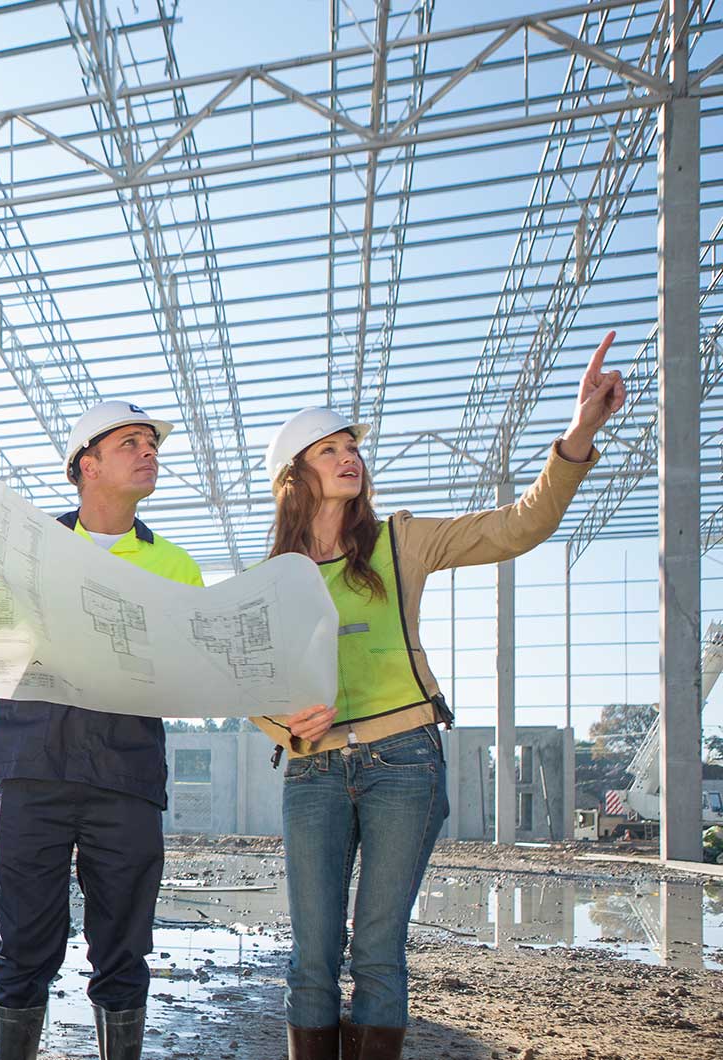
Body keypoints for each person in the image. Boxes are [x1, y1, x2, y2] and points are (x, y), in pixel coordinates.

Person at [258, 333, 624, 1060]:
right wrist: (283, 724)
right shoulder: (273, 577)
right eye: (328, 450)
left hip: (405, 765)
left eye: (351, 446)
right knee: (310, 960)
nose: (349, 456)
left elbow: (520, 524)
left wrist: (576, 437)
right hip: (313, 772)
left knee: (379, 955)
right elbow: (243, 685)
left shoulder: (403, 541)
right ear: (294, 477)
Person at [0, 400, 202, 1060]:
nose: (150, 452)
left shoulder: (176, 567)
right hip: (34, 770)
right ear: (88, 466)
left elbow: (195, 671)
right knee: (24, 941)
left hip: (126, 776)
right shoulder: (22, 556)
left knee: (125, 943)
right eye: (131, 443)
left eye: (152, 444)